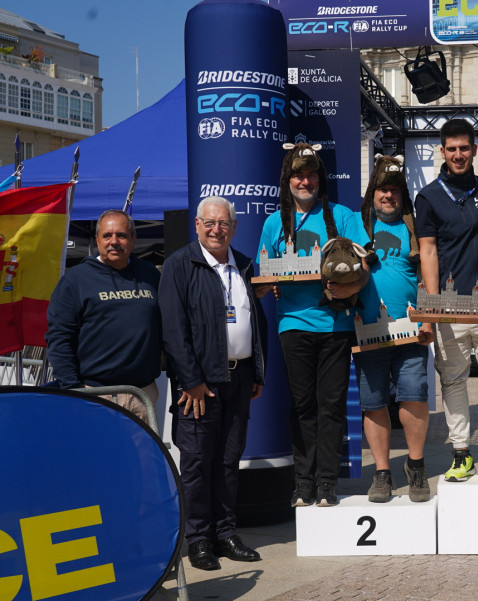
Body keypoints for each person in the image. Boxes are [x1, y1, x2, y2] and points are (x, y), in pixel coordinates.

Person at [257, 143, 369, 508]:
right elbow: (264, 273)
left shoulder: (345, 215)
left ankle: (327, 483)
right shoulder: (274, 222)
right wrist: (265, 284)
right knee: (302, 406)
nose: (305, 181)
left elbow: (368, 265)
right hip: (293, 324)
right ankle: (303, 483)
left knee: (332, 405)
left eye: (310, 175)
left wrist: (350, 286)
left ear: (320, 179)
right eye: (298, 175)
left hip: (336, 325)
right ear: (287, 180)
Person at [159, 196, 267, 570]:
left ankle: (225, 533)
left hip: (238, 379)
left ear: (234, 228)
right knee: (197, 462)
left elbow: (254, 322)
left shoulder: (245, 265)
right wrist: (190, 380)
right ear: (197, 225)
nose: (217, 230)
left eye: (224, 224)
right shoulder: (179, 265)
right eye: (210, 223)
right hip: (199, 385)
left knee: (227, 460)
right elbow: (173, 330)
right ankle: (199, 539)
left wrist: (256, 372)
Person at [415, 118, 478, 482]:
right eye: (451, 149)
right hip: (451, 305)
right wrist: (432, 307)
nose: (458, 154)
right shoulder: (427, 196)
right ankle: (461, 453)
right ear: (442, 151)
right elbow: (428, 253)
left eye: (464, 148)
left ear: (474, 149)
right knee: (453, 382)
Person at [355, 155, 433, 503]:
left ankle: (415, 466)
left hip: (412, 329)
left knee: (414, 395)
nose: (388, 196)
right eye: (382, 190)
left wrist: (429, 316)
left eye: (394, 191)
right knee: (374, 404)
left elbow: (427, 275)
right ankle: (382, 472)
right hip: (368, 330)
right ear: (372, 193)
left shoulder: (414, 227)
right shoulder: (356, 224)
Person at [46, 209, 161, 423]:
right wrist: (73, 389)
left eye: (122, 235)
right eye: (107, 236)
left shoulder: (150, 275)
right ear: (97, 240)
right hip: (95, 393)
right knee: (97, 455)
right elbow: (60, 338)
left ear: (134, 239)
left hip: (143, 393)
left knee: (142, 456)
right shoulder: (76, 281)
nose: (114, 241)